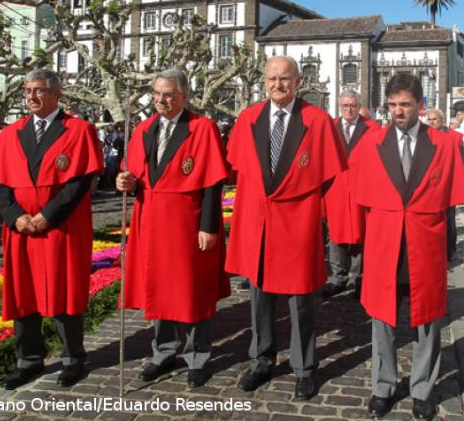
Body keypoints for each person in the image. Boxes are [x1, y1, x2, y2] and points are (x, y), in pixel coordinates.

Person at [224, 56, 345, 401]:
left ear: (298, 81)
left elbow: (328, 176)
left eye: (285, 79)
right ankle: (261, 360)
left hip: (298, 222)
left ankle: (304, 367)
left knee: (300, 301)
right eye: (272, 79)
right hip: (260, 223)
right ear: (264, 81)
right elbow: (238, 170)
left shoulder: (317, 120)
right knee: (259, 297)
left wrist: (301, 203)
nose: (278, 85)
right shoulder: (248, 119)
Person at [352, 74, 464, 420]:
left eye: (404, 104)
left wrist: (449, 250)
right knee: (382, 322)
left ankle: (423, 389)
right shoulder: (373, 143)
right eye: (392, 105)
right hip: (384, 245)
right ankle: (383, 386)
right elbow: (362, 199)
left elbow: (451, 205)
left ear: (420, 105)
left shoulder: (445, 145)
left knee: (427, 323)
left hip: (425, 245)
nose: (397, 112)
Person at [0, 69, 104, 389]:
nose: (31, 97)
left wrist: (48, 215)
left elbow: (78, 184)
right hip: (21, 229)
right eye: (27, 90)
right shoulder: (11, 133)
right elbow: (0, 182)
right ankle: (29, 360)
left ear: (55, 94)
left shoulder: (79, 130)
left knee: (63, 291)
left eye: (38, 90)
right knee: (23, 294)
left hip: (59, 228)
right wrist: (15, 216)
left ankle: (72, 358)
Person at [116, 69, 229, 388]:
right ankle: (163, 351)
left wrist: (208, 226)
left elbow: (212, 182)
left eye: (167, 94)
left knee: (192, 290)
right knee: (159, 287)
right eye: (156, 94)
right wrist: (125, 182)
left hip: (188, 221)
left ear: (183, 96)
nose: (160, 100)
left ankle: (198, 355)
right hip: (151, 220)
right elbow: (136, 178)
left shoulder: (202, 128)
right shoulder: (143, 128)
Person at [321, 89, 380, 298]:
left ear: (358, 105)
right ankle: (338, 278)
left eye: (353, 105)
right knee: (336, 234)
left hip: (361, 189)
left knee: (360, 233)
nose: (349, 109)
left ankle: (358, 279)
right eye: (345, 106)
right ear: (340, 106)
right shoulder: (331, 127)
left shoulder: (372, 128)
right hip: (336, 190)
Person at [428, 108, 464, 261]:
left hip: (447, 185)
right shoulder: (423, 136)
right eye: (429, 120)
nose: (431, 122)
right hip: (428, 187)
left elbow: (460, 162)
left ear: (442, 120)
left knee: (448, 219)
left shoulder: (454, 137)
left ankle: (449, 250)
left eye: (434, 119)